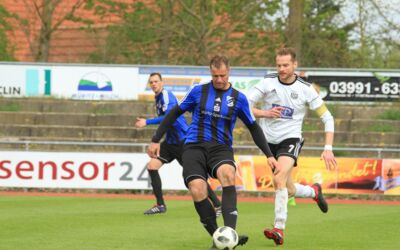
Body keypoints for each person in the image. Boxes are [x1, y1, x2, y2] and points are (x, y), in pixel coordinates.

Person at [147, 55, 278, 249]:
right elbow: (174, 113)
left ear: (229, 72)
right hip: (194, 146)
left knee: (228, 173)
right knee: (197, 189)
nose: (218, 79)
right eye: (215, 75)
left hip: (221, 147)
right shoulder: (197, 91)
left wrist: (269, 155)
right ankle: (219, 239)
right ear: (210, 73)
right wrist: (155, 139)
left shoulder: (238, 98)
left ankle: (230, 234)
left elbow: (254, 127)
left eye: (222, 75)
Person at [247, 47, 338, 246]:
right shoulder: (267, 82)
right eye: (278, 65)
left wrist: (328, 148)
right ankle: (314, 191)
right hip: (268, 142)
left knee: (278, 178)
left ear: (295, 65)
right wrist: (265, 113)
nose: (281, 68)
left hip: (291, 139)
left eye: (286, 65)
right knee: (286, 188)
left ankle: (278, 228)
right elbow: (245, 105)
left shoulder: (306, 89)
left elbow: (327, 118)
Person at [135, 72, 222, 215]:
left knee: (195, 176)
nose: (154, 84)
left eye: (156, 81)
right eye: (151, 82)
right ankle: (160, 205)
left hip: (183, 141)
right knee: (152, 166)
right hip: (170, 143)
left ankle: (218, 205)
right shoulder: (158, 98)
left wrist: (146, 122)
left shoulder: (166, 96)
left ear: (162, 83)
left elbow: (169, 117)